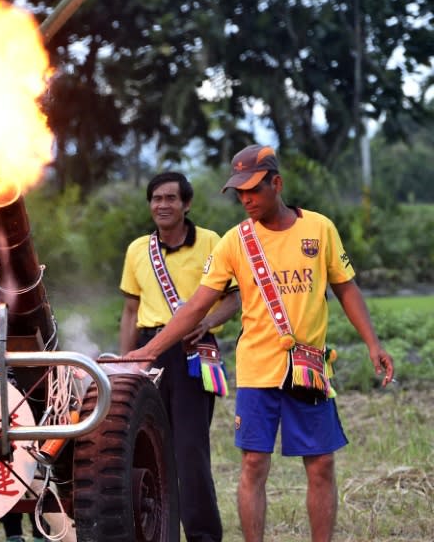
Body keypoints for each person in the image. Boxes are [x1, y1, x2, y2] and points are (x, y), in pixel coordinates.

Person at [127, 144, 395, 542]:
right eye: (240, 192)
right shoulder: (234, 242)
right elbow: (197, 305)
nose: (246, 199)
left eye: (254, 189)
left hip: (307, 367)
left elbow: (347, 288)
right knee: (253, 463)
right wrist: (148, 350)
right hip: (256, 370)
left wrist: (373, 344)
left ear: (277, 183)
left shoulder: (319, 229)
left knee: (321, 464)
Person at [119, 171, 241, 542]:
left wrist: (207, 322)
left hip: (192, 352)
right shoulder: (138, 249)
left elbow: (235, 298)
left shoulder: (212, 242)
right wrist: (125, 363)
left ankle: (203, 536)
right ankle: (154, 532)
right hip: (147, 351)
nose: (163, 205)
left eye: (171, 198)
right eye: (156, 198)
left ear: (186, 204)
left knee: (189, 450)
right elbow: (129, 310)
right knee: (144, 446)